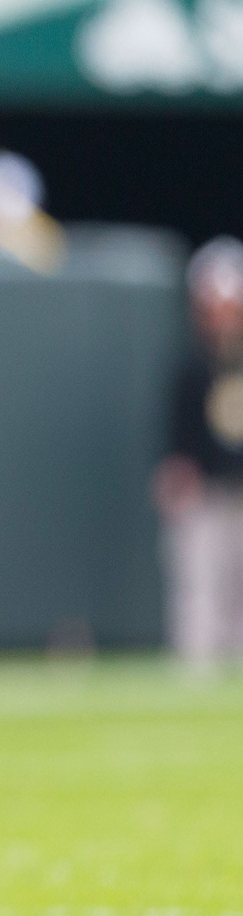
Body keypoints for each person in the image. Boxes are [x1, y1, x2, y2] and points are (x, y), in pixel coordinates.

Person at [156, 236, 243, 666]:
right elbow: (178, 436)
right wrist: (176, 475)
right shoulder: (189, 365)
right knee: (199, 583)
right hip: (205, 495)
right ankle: (196, 671)